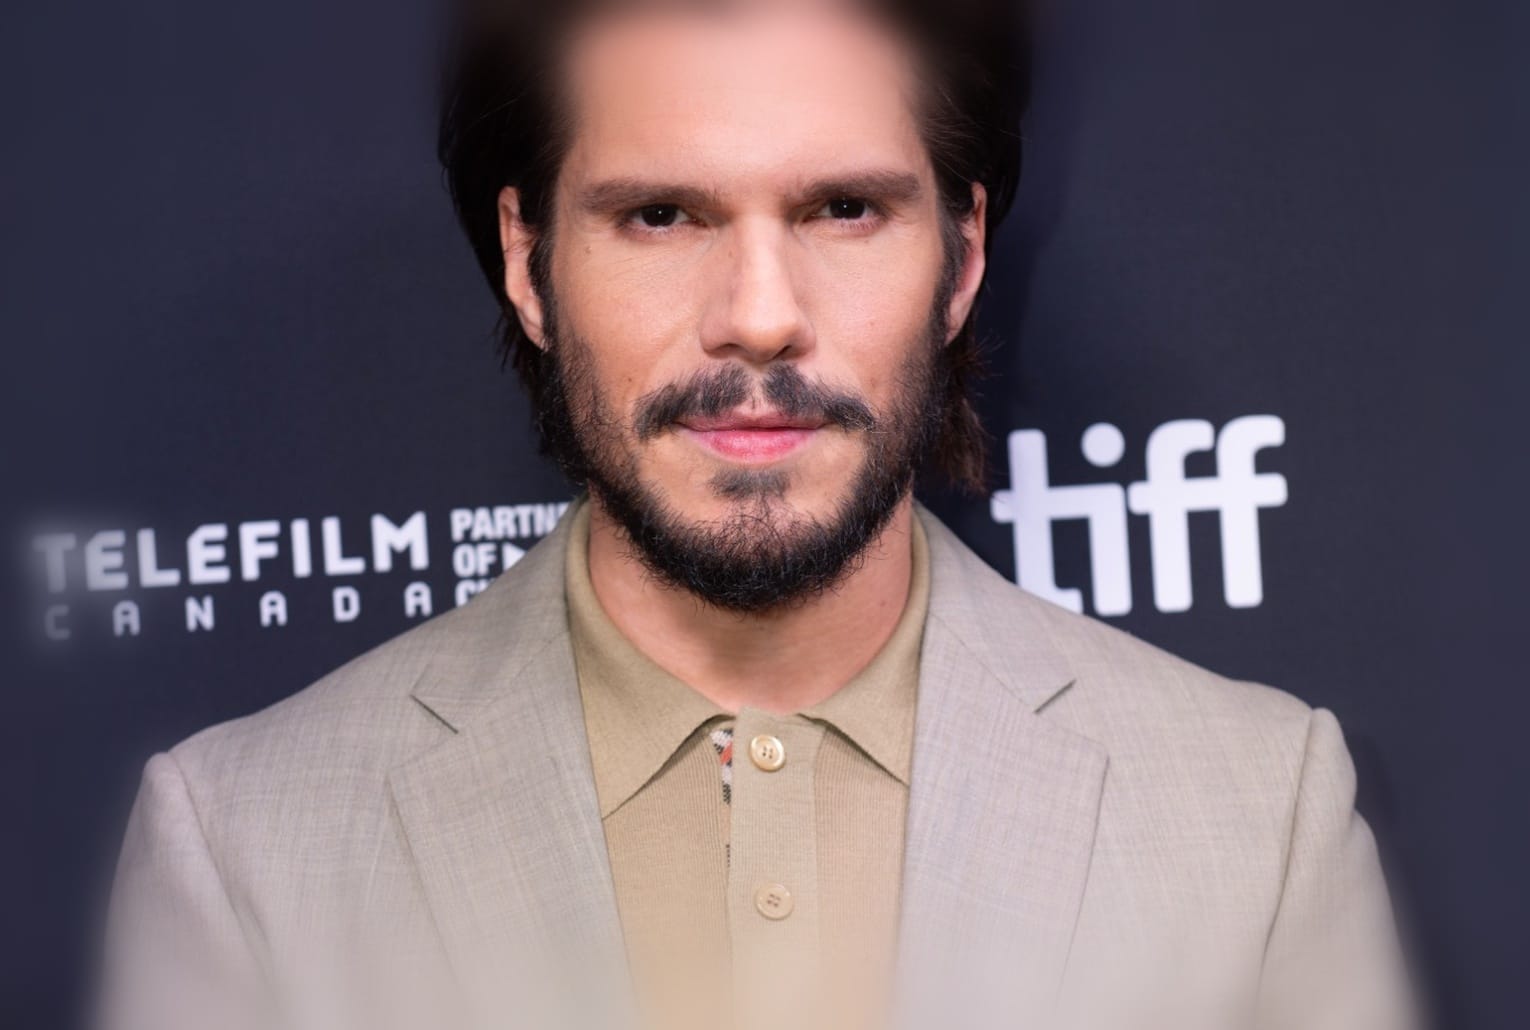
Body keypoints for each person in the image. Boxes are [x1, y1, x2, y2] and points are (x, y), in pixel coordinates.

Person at [97, 2, 1417, 1029]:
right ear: (527, 260)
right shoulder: (244, 842)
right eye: (661, 215)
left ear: (959, 255)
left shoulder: (1255, 810)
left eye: (844, 209)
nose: (759, 311)